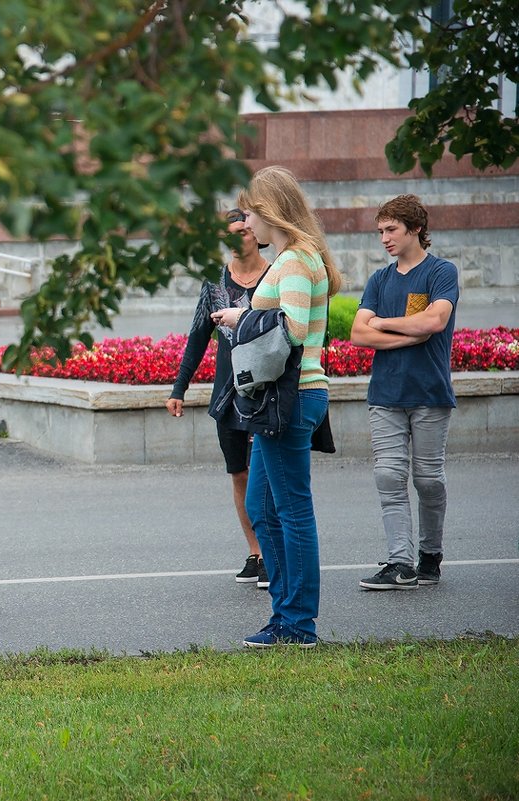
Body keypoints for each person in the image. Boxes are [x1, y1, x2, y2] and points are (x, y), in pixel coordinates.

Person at [211, 166, 339, 648]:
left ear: (269, 210)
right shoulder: (294, 258)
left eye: (250, 212)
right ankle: (285, 615)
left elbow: (296, 329)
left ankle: (297, 623)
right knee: (263, 507)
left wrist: (241, 315)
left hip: (292, 396)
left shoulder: (295, 261)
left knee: (290, 509)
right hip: (281, 398)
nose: (246, 223)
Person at [350, 195, 459, 590]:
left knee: (428, 479)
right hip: (385, 395)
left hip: (430, 393)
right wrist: (404, 335)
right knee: (388, 475)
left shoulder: (441, 272)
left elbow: (434, 319)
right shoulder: (379, 279)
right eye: (380, 231)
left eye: (391, 229)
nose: (384, 238)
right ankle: (400, 563)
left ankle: (430, 556)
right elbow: (359, 333)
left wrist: (383, 324)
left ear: (415, 229)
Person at [166, 208, 271, 589]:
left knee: (266, 474)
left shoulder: (275, 277)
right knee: (239, 474)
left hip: (266, 394)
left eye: (243, 231)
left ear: (257, 234)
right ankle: (255, 552)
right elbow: (197, 338)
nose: (237, 238)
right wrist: (179, 389)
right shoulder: (214, 284)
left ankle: (273, 554)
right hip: (228, 395)